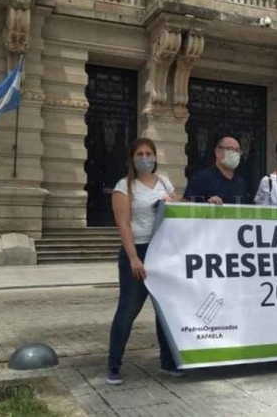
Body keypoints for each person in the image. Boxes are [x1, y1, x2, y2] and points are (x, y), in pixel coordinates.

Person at [107, 137, 183, 385]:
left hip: (162, 250)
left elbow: (178, 207)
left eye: (148, 154)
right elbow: (124, 224)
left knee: (165, 309)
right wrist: (133, 258)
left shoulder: (164, 182)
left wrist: (172, 202)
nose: (144, 158)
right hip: (138, 250)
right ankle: (114, 364)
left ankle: (168, 362)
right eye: (139, 154)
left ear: (155, 157)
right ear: (132, 158)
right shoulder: (124, 186)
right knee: (128, 309)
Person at [184, 136, 249, 204]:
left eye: (237, 150)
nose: (234, 153)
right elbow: (186, 205)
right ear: (217, 152)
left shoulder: (240, 182)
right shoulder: (201, 178)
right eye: (230, 149)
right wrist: (208, 204)